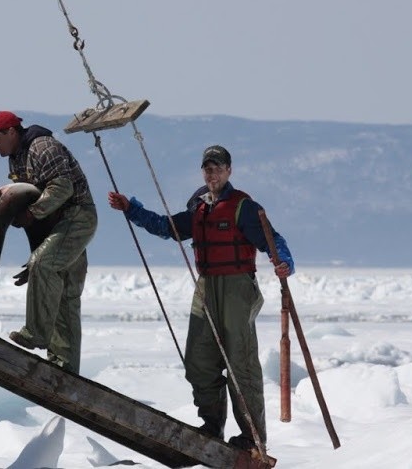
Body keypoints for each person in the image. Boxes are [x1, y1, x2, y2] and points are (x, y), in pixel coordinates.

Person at [107, 144, 294, 451]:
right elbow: (166, 227)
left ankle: (252, 439)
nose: (212, 173)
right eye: (207, 168)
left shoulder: (242, 207)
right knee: (199, 361)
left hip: (237, 289)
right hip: (206, 288)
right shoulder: (199, 207)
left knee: (241, 364)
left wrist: (284, 260)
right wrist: (132, 209)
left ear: (229, 171)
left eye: (218, 167)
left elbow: (273, 240)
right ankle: (212, 425)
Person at [0, 110, 98, 374]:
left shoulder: (43, 147)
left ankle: (35, 334)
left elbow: (61, 189)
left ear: (11, 132)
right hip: (55, 225)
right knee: (63, 292)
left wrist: (31, 216)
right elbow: (30, 204)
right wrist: (35, 254)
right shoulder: (16, 160)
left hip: (76, 216)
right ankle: (63, 369)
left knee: (45, 266)